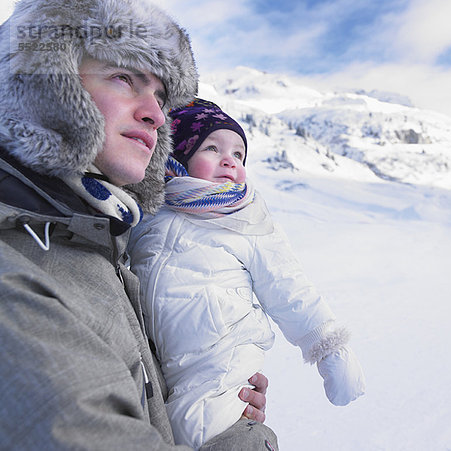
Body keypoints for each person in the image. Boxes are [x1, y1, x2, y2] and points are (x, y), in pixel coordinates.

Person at [0, 0, 275, 449]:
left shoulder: (96, 243)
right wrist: (244, 440)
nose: (157, 114)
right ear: (43, 85)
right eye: (125, 78)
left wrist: (203, 400)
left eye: (162, 96)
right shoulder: (17, 273)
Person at [127, 98, 366, 449]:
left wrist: (330, 348)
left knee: (194, 433)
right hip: (162, 362)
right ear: (178, 157)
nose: (229, 160)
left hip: (222, 360)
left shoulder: (245, 217)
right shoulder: (148, 211)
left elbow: (289, 286)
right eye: (212, 148)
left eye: (239, 154)